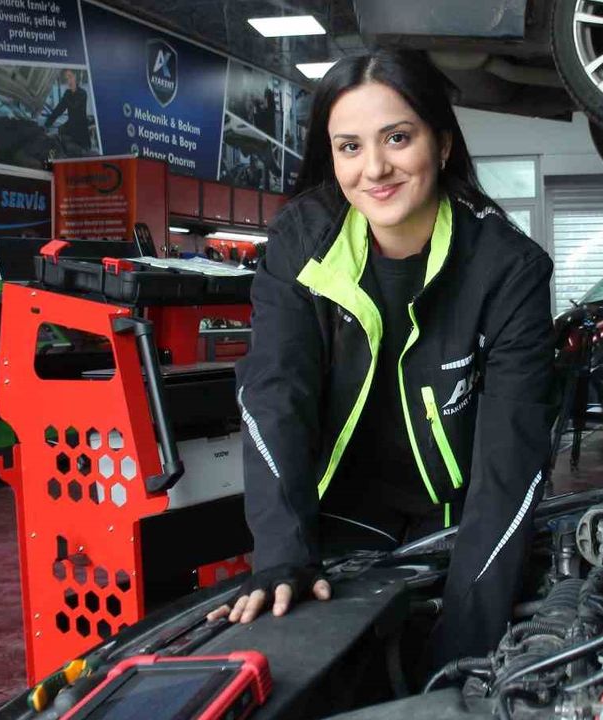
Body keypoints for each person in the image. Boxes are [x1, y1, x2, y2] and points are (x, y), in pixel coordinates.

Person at [209, 49, 555, 667]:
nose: (374, 168)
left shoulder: (508, 269)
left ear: (441, 145)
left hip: (458, 519)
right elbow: (275, 394)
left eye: (397, 138)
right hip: (343, 514)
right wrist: (283, 555)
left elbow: (510, 460)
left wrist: (466, 645)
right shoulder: (300, 242)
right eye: (350, 146)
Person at [44, 69, 92, 153]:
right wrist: (47, 124)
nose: (69, 81)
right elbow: (59, 109)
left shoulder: (82, 93)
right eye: (67, 79)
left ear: (75, 77)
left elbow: (75, 106)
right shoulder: (67, 93)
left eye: (70, 77)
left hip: (82, 134)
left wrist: (66, 97)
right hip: (71, 130)